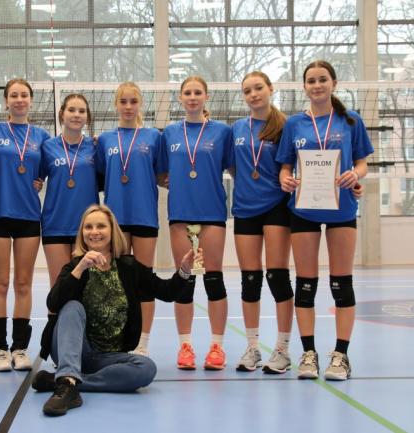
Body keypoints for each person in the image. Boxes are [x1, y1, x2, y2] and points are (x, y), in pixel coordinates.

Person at [32, 204, 198, 416]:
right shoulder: (74, 266)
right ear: (82, 233)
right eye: (88, 227)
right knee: (72, 307)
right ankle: (68, 379)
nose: (94, 232)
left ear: (112, 231)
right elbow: (53, 304)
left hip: (108, 358)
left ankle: (66, 382)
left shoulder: (129, 267)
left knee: (146, 368)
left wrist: (184, 270)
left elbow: (166, 292)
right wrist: (80, 268)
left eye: (101, 226)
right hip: (74, 350)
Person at [276, 60, 373, 381]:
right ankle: (308, 353)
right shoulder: (294, 123)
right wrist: (285, 179)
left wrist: (355, 174)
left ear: (333, 83)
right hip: (303, 209)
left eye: (322, 79)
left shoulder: (351, 120)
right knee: (305, 284)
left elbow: (362, 163)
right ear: (304, 86)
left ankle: (341, 355)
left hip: (341, 208)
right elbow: (285, 166)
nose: (317, 85)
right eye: (311, 81)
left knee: (341, 284)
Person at [160, 76, 233, 370]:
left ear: (206, 97)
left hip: (212, 212)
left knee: (214, 280)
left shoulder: (222, 132)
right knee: (184, 281)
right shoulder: (169, 133)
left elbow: (236, 168)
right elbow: (160, 172)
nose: (192, 97)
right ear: (180, 97)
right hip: (180, 213)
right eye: (187, 93)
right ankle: (185, 347)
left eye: (197, 92)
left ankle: (217, 347)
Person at [96, 81, 167, 356]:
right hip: (116, 220)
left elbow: (162, 175)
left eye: (133, 101)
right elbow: (99, 174)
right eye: (123, 101)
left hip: (145, 216)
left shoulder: (154, 137)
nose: (128, 107)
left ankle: (143, 343)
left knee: (144, 281)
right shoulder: (105, 139)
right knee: (118, 283)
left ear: (140, 104)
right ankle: (120, 339)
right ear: (116, 104)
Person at [230, 71, 293, 374]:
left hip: (276, 207)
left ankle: (282, 349)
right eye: (247, 91)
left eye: (258, 88)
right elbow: (232, 165)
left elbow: (292, 165)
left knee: (277, 277)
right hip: (245, 208)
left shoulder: (285, 126)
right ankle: (252, 347)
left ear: (270, 89)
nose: (253, 94)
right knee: (250, 279)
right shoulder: (237, 129)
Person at [0, 78, 50, 371]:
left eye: (24, 95)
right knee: (0, 283)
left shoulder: (42, 136)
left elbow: (48, 169)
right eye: (14, 95)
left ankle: (20, 348)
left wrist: (40, 180)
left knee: (23, 283)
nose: (19, 99)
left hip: (29, 216)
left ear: (31, 100)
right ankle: (0, 349)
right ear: (6, 101)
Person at [41, 93, 99, 287]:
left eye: (81, 111)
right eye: (71, 110)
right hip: (55, 224)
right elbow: (35, 176)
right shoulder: (48, 147)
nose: (76, 115)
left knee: (84, 287)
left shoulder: (95, 146)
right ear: (62, 114)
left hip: (87, 227)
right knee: (59, 286)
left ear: (87, 116)